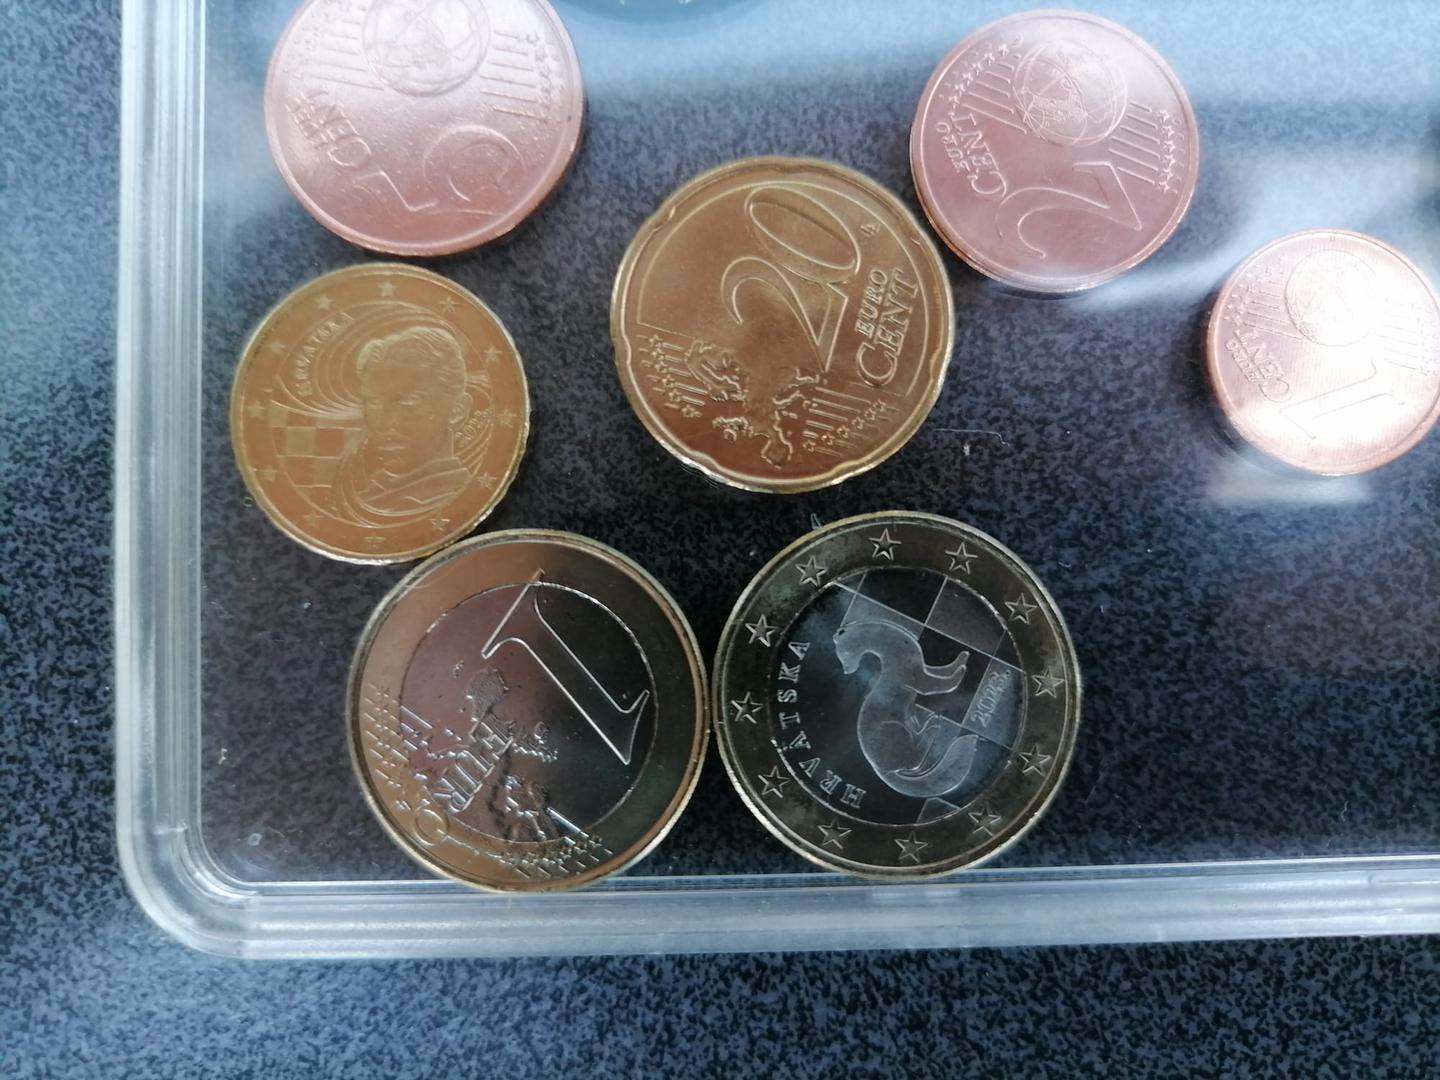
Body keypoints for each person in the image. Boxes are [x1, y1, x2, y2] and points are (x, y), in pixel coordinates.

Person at [331, 325, 474, 525]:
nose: (383, 424)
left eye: (408, 401)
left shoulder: (451, 493)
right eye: (373, 403)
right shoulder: (365, 491)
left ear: (457, 411)